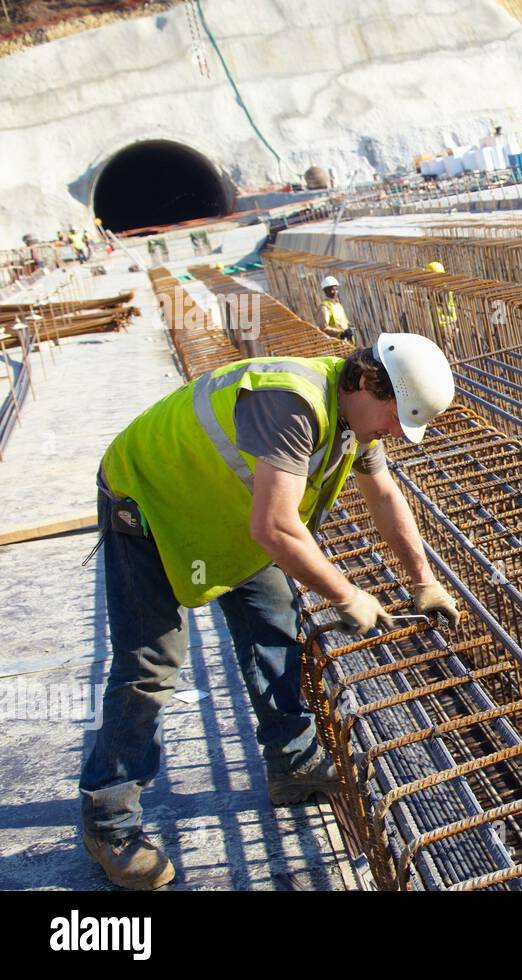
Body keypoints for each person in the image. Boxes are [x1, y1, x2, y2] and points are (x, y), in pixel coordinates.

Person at [79, 334, 461, 889]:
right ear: (365, 382)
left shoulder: (353, 414)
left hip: (226, 514)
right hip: (149, 500)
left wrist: (424, 580)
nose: (397, 432)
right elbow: (277, 527)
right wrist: (348, 595)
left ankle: (294, 762)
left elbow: (383, 494)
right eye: (396, 416)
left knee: (273, 622)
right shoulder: (292, 403)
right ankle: (109, 822)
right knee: (149, 666)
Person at [425, 261, 457, 333]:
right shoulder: (440, 287)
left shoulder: (441, 289)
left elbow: (441, 303)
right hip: (447, 323)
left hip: (445, 324)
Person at [318, 275, 352, 341]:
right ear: (325, 291)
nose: (334, 292)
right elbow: (323, 327)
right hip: (336, 343)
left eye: (336, 289)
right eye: (332, 290)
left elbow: (344, 321)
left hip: (346, 340)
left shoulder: (338, 305)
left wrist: (350, 328)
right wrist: (341, 333)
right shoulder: (324, 307)